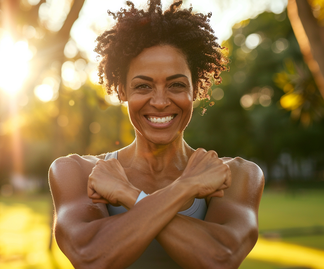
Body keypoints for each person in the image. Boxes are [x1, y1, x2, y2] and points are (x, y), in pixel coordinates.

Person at [48, 1, 265, 268]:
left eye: (176, 84)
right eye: (143, 86)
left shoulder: (236, 175)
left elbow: (220, 259)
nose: (160, 102)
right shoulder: (78, 172)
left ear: (196, 89)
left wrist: (128, 194)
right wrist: (186, 187)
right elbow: (91, 256)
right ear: (122, 90)